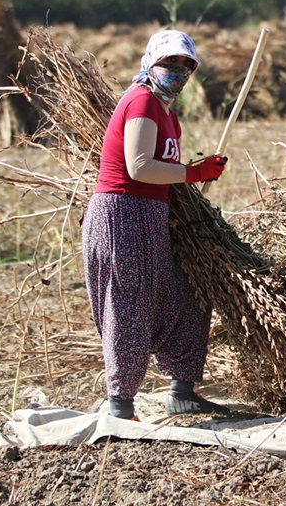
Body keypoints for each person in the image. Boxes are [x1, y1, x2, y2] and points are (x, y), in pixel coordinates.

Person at [82, 30, 230, 420]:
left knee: (186, 295)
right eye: (169, 63)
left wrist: (195, 173)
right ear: (151, 62)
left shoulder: (167, 111)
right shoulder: (143, 101)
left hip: (149, 217)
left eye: (186, 65)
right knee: (128, 306)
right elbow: (140, 166)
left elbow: (161, 169)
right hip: (122, 215)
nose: (178, 71)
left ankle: (182, 391)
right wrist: (191, 172)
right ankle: (121, 406)